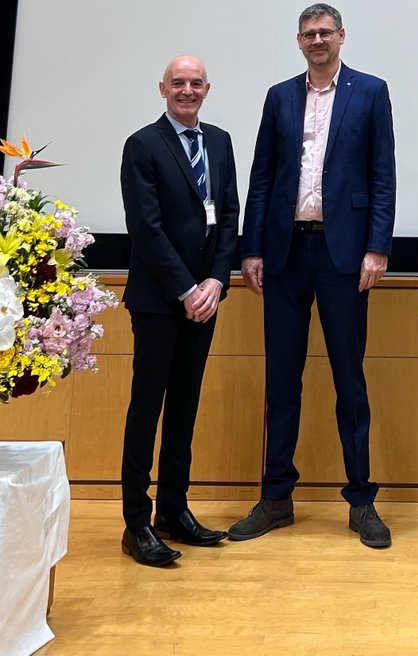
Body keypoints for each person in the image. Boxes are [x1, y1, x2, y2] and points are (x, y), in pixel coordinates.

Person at [230, 4, 396, 548]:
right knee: (282, 379)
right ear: (298, 41)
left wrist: (377, 248)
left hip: (344, 255)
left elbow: (381, 175)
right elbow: (261, 177)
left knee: (350, 381)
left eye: (326, 32)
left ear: (342, 36)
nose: (317, 40)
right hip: (283, 254)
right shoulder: (279, 96)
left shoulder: (370, 92)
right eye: (309, 34)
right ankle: (276, 497)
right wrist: (250, 249)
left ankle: (361, 500)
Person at [120, 55, 240, 566]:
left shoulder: (220, 141)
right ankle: (135, 523)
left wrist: (215, 280)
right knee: (147, 409)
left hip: (205, 299)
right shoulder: (142, 145)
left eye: (195, 84)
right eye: (178, 83)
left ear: (207, 89)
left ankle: (174, 508)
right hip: (159, 301)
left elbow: (229, 214)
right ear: (162, 88)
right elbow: (145, 228)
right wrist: (186, 289)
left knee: (185, 406)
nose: (187, 91)